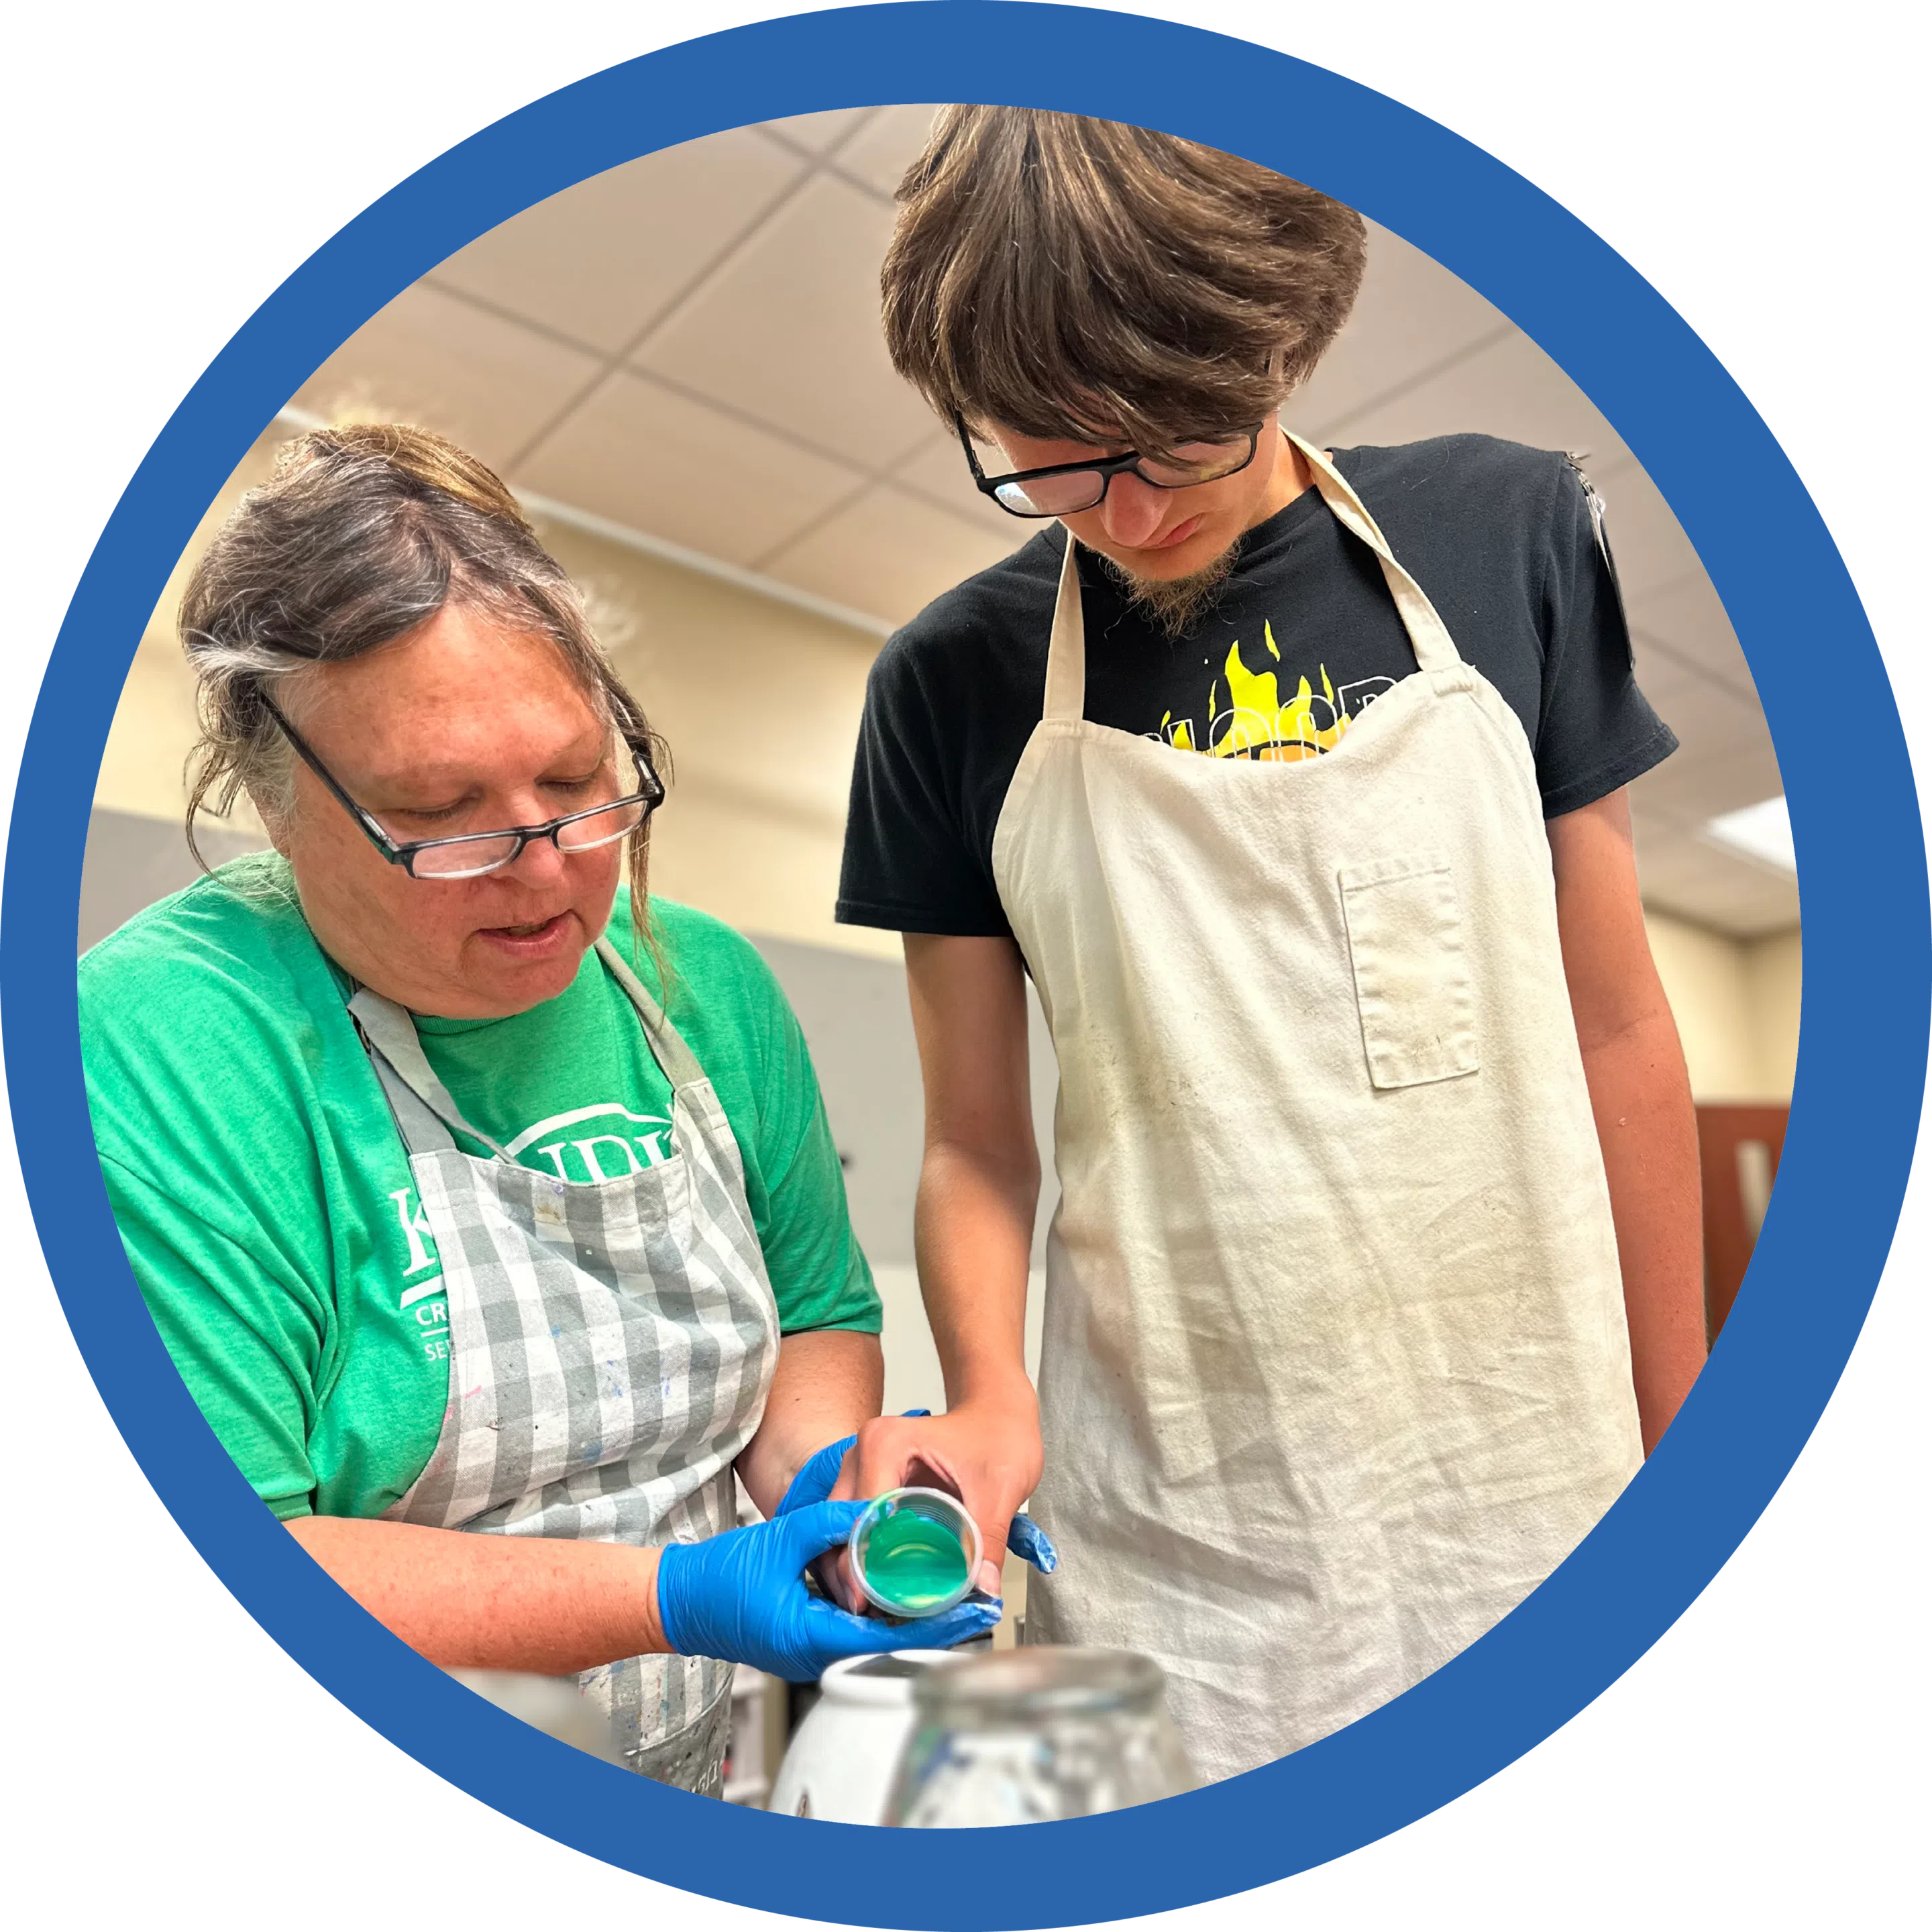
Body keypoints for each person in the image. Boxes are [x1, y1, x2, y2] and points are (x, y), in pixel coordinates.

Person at [837, 109, 1709, 1784]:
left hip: (1533, 1458)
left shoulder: (1508, 529)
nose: (1125, 507)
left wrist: (1688, 1442)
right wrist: (989, 1395)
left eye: (1173, 440)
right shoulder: (948, 680)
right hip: (1175, 1501)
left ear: (1284, 345)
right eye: (1046, 456)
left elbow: (1617, 1029)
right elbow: (973, 1139)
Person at [78, 424, 999, 1795]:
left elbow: (813, 1313)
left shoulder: (704, 985)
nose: (549, 873)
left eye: (577, 783)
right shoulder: (169, 1037)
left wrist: (836, 1491)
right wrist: (678, 1594)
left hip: (694, 1762)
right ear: (278, 800)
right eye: (443, 815)